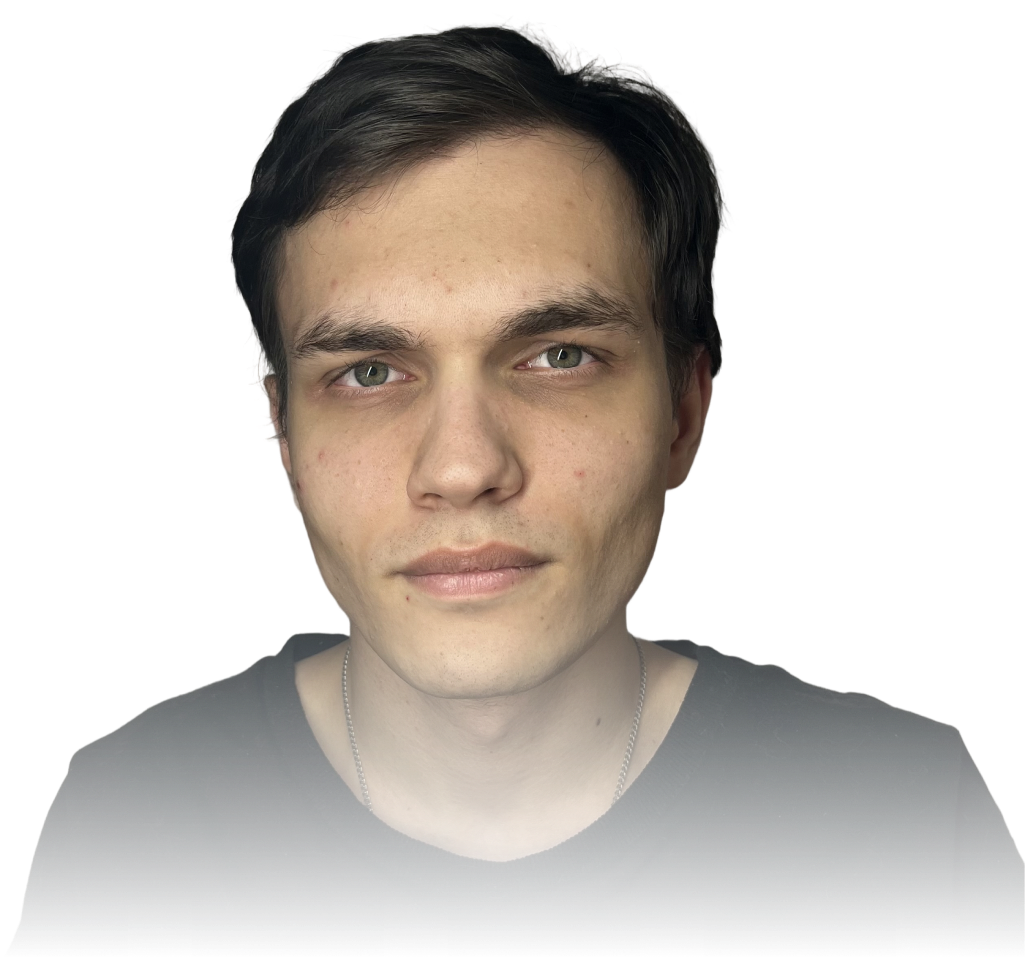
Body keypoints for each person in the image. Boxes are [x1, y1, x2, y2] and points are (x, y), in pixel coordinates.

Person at [13, 21, 1021, 950]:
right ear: (278, 433)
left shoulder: (911, 820)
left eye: (558, 356)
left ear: (682, 414)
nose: (462, 469)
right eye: (368, 372)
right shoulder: (128, 821)